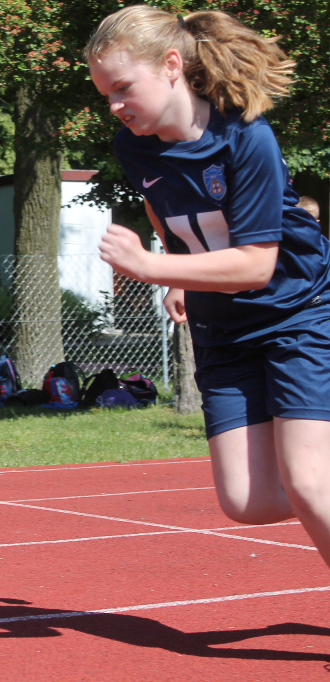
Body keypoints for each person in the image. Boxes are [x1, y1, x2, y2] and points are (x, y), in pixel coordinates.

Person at [87, 6, 330, 571]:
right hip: (222, 328)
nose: (115, 106)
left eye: (123, 88)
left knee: (309, 482)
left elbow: (254, 266)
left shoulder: (247, 138)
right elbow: (161, 204)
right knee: (247, 502)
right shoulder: (134, 146)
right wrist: (175, 262)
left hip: (296, 312)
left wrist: (151, 268)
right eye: (105, 95)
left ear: (172, 65)